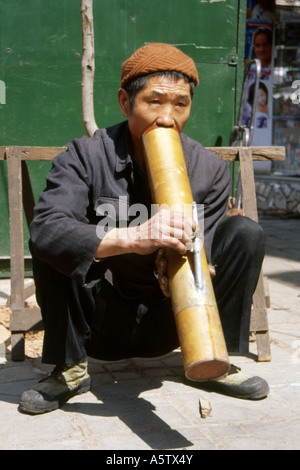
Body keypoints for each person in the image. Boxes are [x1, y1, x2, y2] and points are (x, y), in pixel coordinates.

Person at [19, 43, 269, 415]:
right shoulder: (86, 156)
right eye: (154, 102)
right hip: (99, 321)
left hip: (169, 318)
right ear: (125, 102)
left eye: (180, 104)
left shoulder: (208, 170)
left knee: (245, 233)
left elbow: (211, 256)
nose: (167, 118)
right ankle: (68, 368)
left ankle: (213, 359)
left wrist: (178, 259)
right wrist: (135, 237)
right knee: (53, 240)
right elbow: (46, 231)